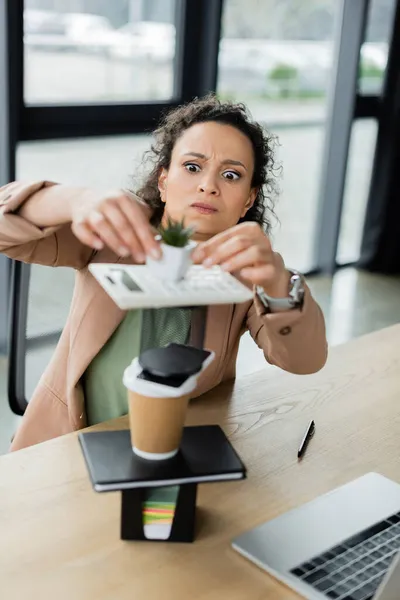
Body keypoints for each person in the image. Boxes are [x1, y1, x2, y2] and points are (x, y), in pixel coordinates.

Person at [0, 95, 327, 452]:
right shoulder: (114, 234)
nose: (208, 186)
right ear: (163, 181)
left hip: (177, 448)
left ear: (248, 200)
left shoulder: (249, 271)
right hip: (68, 442)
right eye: (191, 167)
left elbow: (305, 361)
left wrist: (279, 286)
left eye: (231, 175)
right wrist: (73, 200)